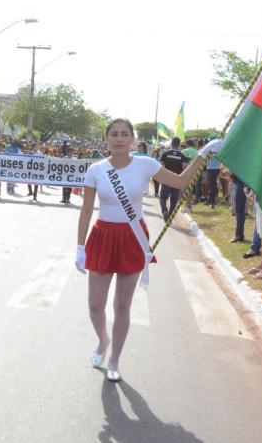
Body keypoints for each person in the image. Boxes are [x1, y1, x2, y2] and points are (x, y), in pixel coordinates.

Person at [76, 118, 221, 382]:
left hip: (132, 237)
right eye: (114, 134)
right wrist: (79, 246)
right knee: (95, 305)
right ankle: (102, 341)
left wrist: (203, 153)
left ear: (132, 139)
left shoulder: (145, 164)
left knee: (122, 306)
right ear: (106, 138)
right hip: (103, 236)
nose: (119, 139)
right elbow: (86, 210)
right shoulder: (96, 170)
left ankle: (115, 359)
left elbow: (180, 182)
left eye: (124, 134)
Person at [158, 137, 187, 222]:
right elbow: (185, 168)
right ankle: (170, 216)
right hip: (177, 180)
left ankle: (165, 210)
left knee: (163, 198)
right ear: (179, 145)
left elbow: (161, 166)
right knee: (174, 200)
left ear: (171, 143)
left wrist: (160, 176)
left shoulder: (165, 154)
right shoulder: (182, 156)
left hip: (167, 179)